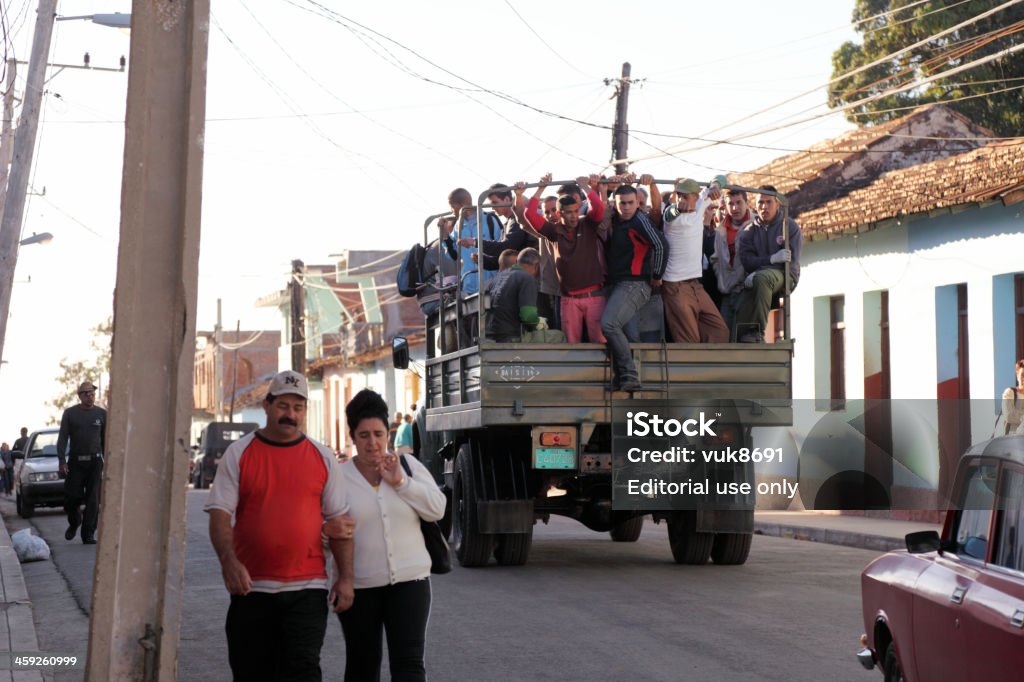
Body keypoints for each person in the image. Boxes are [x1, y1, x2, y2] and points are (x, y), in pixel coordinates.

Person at [205, 370, 355, 681]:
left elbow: (340, 524)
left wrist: (346, 579)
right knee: (251, 673)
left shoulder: (322, 456)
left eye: (298, 408)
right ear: (267, 406)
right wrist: (228, 562)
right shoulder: (240, 452)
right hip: (251, 590)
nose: (291, 415)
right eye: (283, 406)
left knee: (302, 672)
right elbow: (220, 513)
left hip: (308, 590)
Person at [338, 389, 446, 682]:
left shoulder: (409, 467)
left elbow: (437, 510)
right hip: (360, 588)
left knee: (409, 666)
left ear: (388, 433)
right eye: (363, 435)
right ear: (352, 437)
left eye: (378, 433)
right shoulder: (339, 478)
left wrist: (401, 483)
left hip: (410, 584)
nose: (372, 443)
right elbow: (328, 533)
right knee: (362, 665)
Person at [517, 173, 608, 343]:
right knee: (571, 344)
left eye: (575, 211)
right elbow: (529, 214)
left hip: (594, 296)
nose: (574, 216)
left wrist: (586, 187)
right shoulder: (554, 231)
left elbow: (599, 208)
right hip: (569, 299)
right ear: (559, 214)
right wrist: (541, 188)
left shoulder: (588, 223)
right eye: (569, 213)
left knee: (600, 342)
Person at [599, 184, 667, 392]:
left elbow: (662, 245)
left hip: (635, 284)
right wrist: (603, 186)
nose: (627, 207)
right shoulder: (617, 220)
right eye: (622, 204)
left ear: (638, 203)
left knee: (609, 325)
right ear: (616, 204)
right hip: (620, 285)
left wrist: (656, 274)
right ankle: (625, 379)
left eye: (630, 203)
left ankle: (629, 375)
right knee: (627, 335)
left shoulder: (640, 220)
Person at [660, 178, 729, 343]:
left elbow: (721, 178)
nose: (681, 199)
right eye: (679, 195)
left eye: (685, 196)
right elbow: (668, 216)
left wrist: (715, 186)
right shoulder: (672, 215)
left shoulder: (700, 205)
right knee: (688, 340)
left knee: (720, 332)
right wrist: (677, 208)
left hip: (695, 285)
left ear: (695, 197)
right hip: (675, 286)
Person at [737, 186, 802, 343]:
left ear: (777, 204)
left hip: (786, 275)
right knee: (741, 292)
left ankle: (757, 331)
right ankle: (739, 336)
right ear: (755, 205)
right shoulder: (749, 231)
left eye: (768, 202)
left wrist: (760, 269)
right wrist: (771, 259)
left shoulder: (789, 227)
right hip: (761, 275)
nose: (764, 207)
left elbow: (788, 262)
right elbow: (747, 262)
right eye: (760, 203)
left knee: (762, 279)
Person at [57, 380, 107, 544]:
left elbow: (106, 440)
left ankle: (88, 534)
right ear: (80, 396)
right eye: (86, 394)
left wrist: (108, 462)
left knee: (93, 499)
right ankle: (74, 521)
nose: (89, 396)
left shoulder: (101, 414)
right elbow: (63, 438)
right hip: (76, 463)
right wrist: (62, 461)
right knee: (72, 498)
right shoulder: (70, 414)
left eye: (92, 393)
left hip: (95, 462)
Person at [713, 189, 753, 340]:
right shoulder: (720, 229)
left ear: (747, 203)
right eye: (731, 204)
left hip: (747, 291)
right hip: (727, 291)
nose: (735, 208)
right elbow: (715, 259)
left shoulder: (756, 225)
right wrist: (721, 277)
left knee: (743, 337)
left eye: (739, 203)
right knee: (725, 337)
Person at [485, 247, 541, 342]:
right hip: (511, 337)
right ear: (536, 266)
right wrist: (539, 322)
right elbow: (528, 317)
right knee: (559, 336)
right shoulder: (527, 278)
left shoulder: (495, 279)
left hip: (490, 336)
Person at [1000, 360, 1024, 434]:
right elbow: (1009, 416)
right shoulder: (1010, 392)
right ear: (1017, 376)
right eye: (1022, 374)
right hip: (1012, 438)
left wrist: (1019, 414)